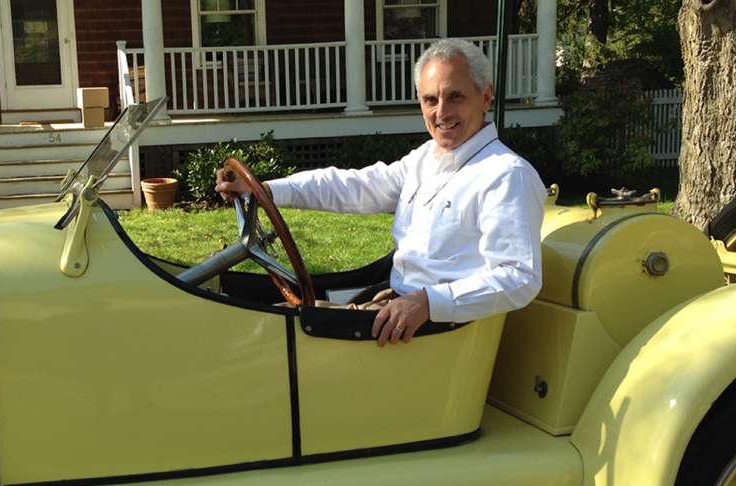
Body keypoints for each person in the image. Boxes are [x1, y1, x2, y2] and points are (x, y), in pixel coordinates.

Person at [215, 38, 545, 347]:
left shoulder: (505, 175)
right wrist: (265, 191)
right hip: (392, 306)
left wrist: (428, 303)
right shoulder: (426, 159)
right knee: (237, 301)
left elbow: (518, 277)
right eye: (430, 99)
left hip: (428, 334)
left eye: (454, 97)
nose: (441, 113)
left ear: (485, 97)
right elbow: (353, 187)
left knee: (258, 335)